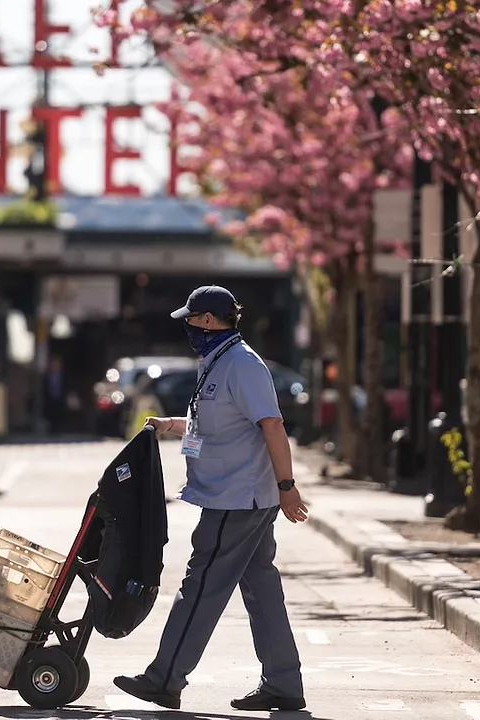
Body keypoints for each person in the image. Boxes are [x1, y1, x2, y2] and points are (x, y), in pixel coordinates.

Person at [113, 285, 309, 712]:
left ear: (206, 320)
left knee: (200, 585)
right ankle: (283, 683)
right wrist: (170, 424)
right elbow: (218, 425)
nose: (185, 325)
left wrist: (287, 486)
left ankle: (164, 678)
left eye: (190, 318)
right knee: (260, 587)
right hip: (235, 495)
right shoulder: (219, 361)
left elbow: (272, 426)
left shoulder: (242, 364)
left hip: (237, 499)